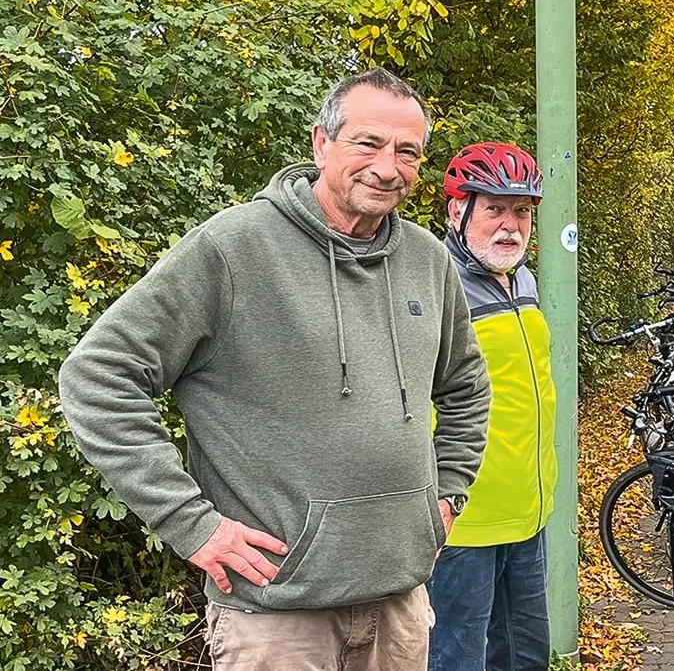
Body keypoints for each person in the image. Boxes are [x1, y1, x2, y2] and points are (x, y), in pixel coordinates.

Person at [58, 68, 493, 671]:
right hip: (275, 613)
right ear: (321, 143)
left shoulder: (427, 259)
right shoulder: (233, 248)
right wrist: (191, 524)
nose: (387, 167)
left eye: (407, 152)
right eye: (367, 143)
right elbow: (98, 376)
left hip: (399, 602)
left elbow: (466, 385)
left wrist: (446, 495)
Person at [427, 142, 557, 671]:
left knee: (527, 658)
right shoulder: (434, 284)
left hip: (528, 515)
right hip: (465, 522)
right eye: (495, 209)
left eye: (521, 211)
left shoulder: (521, 278)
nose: (511, 225)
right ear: (457, 211)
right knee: (455, 661)